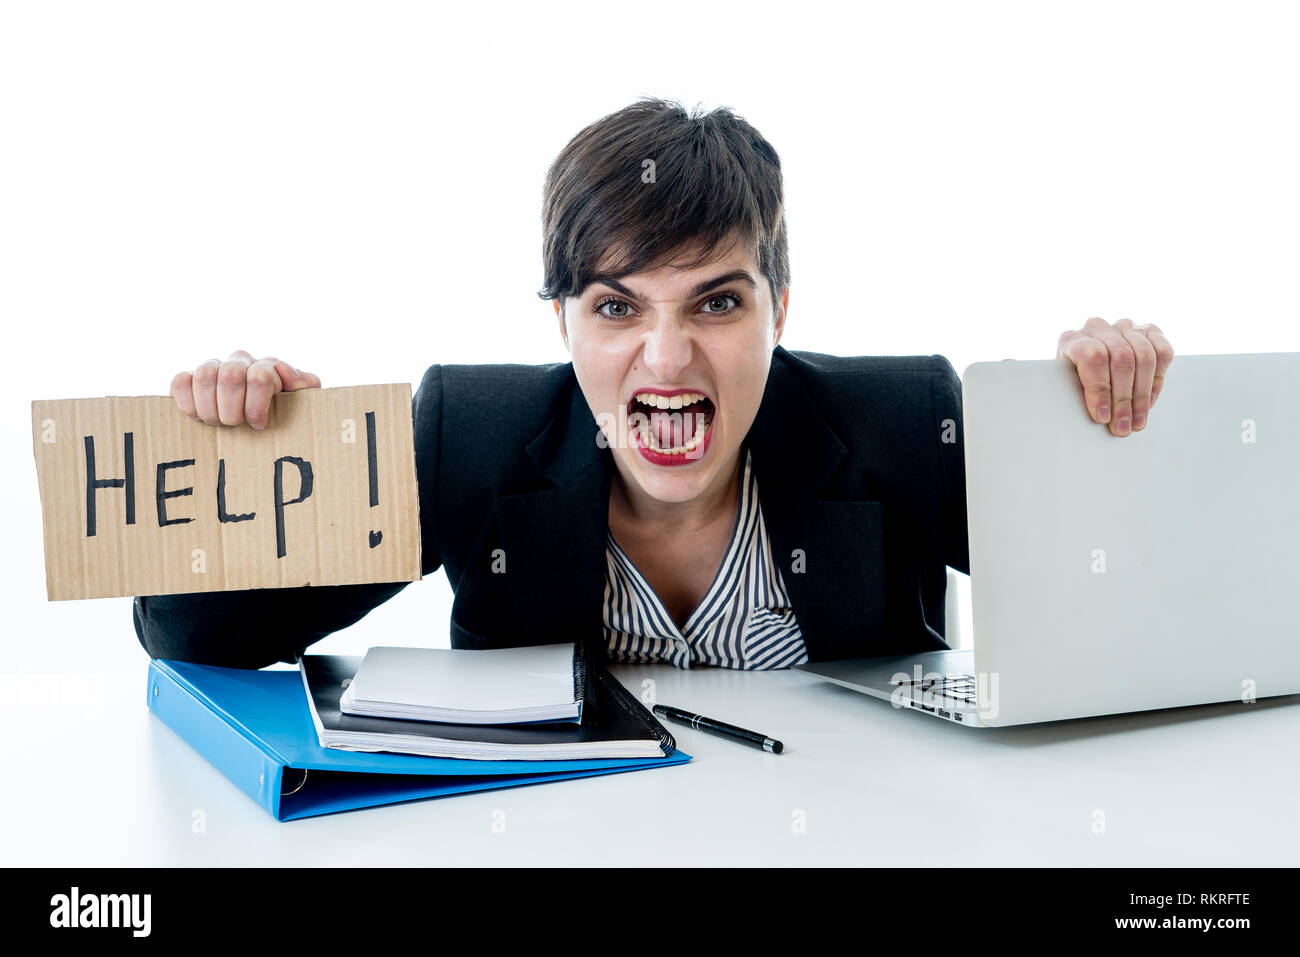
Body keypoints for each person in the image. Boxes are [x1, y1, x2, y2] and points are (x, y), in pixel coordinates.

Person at [133, 97, 1174, 671]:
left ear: (781, 310)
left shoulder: (903, 421)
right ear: (561, 322)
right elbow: (197, 639)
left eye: (718, 304)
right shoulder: (470, 435)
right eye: (618, 307)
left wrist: (1106, 428)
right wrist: (242, 453)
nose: (667, 359)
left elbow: (1147, 611)